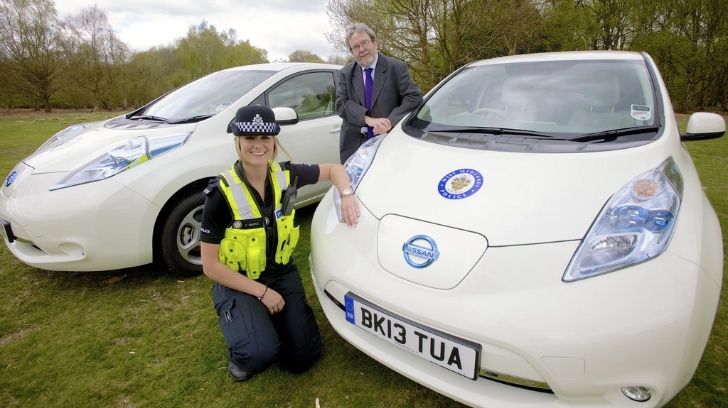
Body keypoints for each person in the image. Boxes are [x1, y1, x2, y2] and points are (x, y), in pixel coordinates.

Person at [200, 105, 360, 381]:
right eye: (250, 139)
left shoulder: (287, 174)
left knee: (304, 357)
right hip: (238, 280)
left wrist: (346, 194)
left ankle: (266, 324)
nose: (258, 145)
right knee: (258, 353)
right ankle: (245, 345)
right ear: (238, 142)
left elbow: (335, 169)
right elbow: (211, 266)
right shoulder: (220, 194)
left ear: (274, 141)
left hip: (281, 273)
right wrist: (261, 292)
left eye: (266, 138)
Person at [336, 22, 423, 163]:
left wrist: (389, 121)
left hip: (389, 143)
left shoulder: (396, 67)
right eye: (356, 47)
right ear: (352, 52)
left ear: (375, 43)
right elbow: (341, 104)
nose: (362, 49)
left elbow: (414, 97)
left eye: (365, 43)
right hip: (354, 149)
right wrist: (368, 120)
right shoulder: (346, 73)